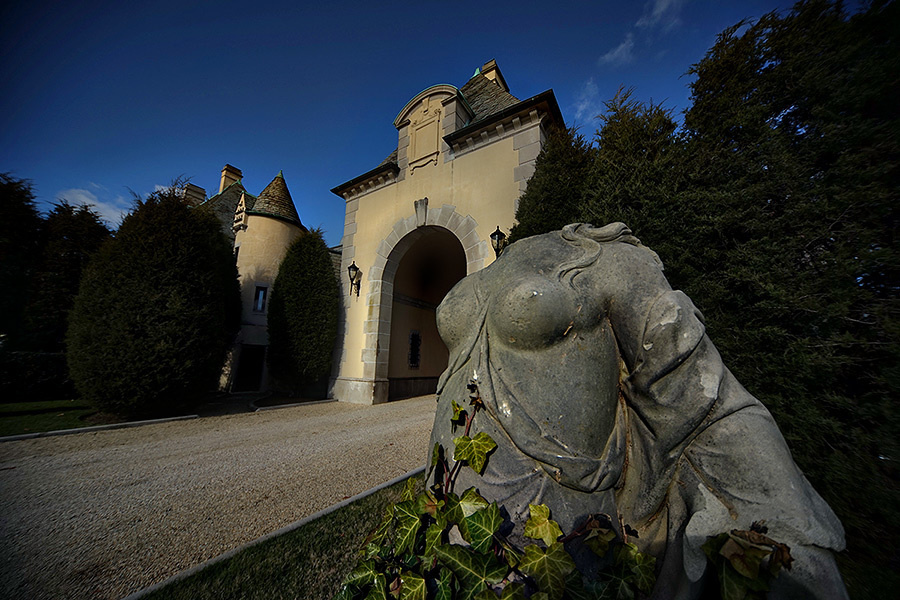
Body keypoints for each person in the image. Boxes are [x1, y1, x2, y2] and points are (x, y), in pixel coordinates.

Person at [428, 223, 847, 599]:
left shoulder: (607, 257)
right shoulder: (496, 267)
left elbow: (706, 403)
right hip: (442, 512)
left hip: (559, 537)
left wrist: (779, 514)